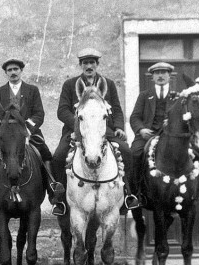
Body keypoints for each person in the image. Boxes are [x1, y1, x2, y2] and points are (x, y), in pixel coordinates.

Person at [52, 48, 139, 214]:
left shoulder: (108, 84)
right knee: (58, 157)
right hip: (76, 131)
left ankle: (128, 193)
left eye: (92, 62)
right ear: (81, 65)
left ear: (97, 64)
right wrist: (78, 126)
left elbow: (117, 110)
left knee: (127, 152)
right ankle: (60, 199)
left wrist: (119, 127)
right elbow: (62, 110)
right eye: (85, 63)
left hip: (105, 131)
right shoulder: (70, 85)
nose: (89, 66)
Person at [0, 57, 65, 213]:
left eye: (16, 69)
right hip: (5, 135)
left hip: (29, 133)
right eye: (9, 70)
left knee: (46, 154)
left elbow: (39, 114)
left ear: (21, 71)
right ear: (6, 73)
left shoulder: (32, 90)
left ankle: (53, 191)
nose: (13, 72)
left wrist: (27, 129)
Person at [129, 62, 199, 202]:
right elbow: (135, 117)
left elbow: (186, 116)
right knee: (135, 153)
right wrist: (141, 129)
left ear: (169, 75)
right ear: (153, 77)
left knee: (197, 150)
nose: (160, 76)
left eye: (164, 72)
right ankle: (135, 191)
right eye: (157, 73)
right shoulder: (145, 96)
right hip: (147, 135)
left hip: (171, 136)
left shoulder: (179, 96)